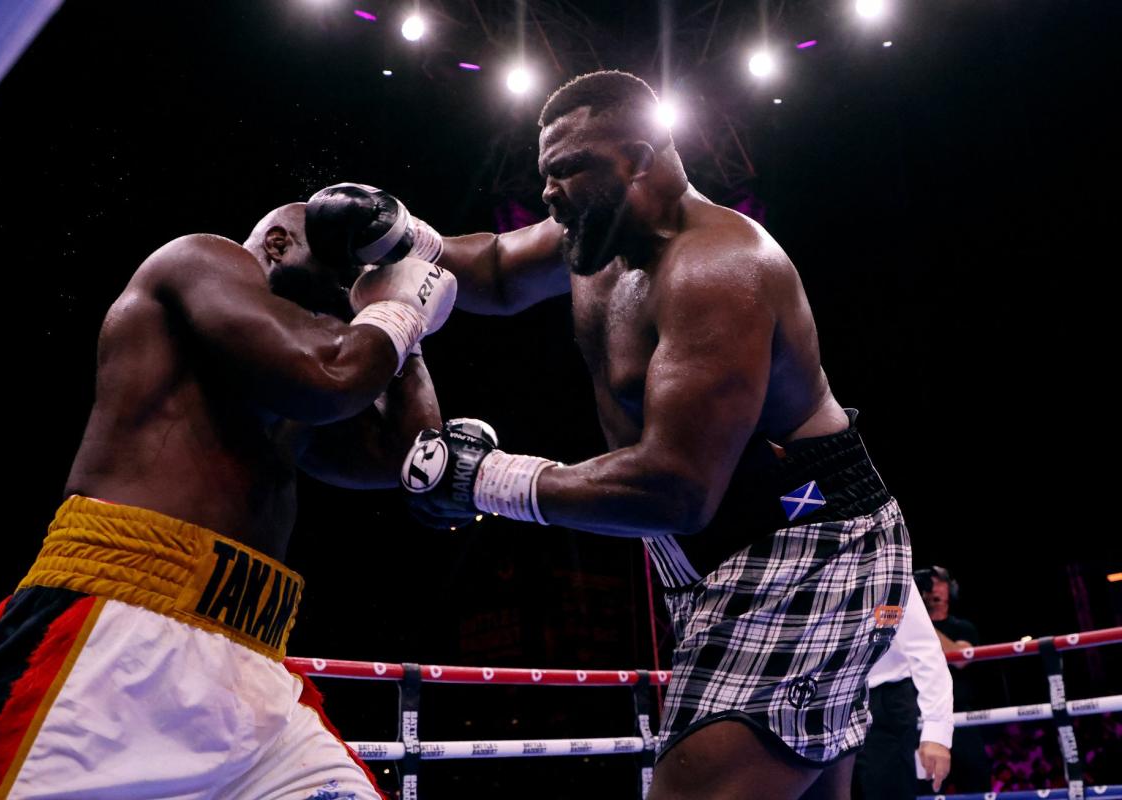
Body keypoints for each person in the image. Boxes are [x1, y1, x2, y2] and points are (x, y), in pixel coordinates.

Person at [321, 70, 913, 798]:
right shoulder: (594, 243)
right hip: (713, 560)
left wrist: (485, 478)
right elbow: (498, 271)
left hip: (804, 548)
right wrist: (401, 235)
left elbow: (676, 488)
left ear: (639, 158)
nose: (548, 192)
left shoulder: (718, 271)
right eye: (544, 173)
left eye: (568, 170)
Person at [0, 195, 455, 799]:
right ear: (279, 244)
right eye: (337, 260)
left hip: (254, 667)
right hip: (115, 639)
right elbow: (330, 379)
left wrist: (405, 325)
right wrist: (397, 307)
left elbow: (411, 460)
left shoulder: (304, 357)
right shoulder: (203, 260)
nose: (349, 280)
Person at [855, 581, 953, 799]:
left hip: (883, 702)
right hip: (822, 702)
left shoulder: (887, 560)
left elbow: (925, 648)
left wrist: (936, 731)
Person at [917, 564, 992, 792]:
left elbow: (959, 658)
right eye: (929, 585)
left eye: (939, 583)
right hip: (921, 718)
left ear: (950, 590)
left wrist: (919, 622)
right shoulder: (908, 630)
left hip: (961, 716)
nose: (934, 590)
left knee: (977, 783)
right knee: (924, 787)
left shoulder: (962, 628)